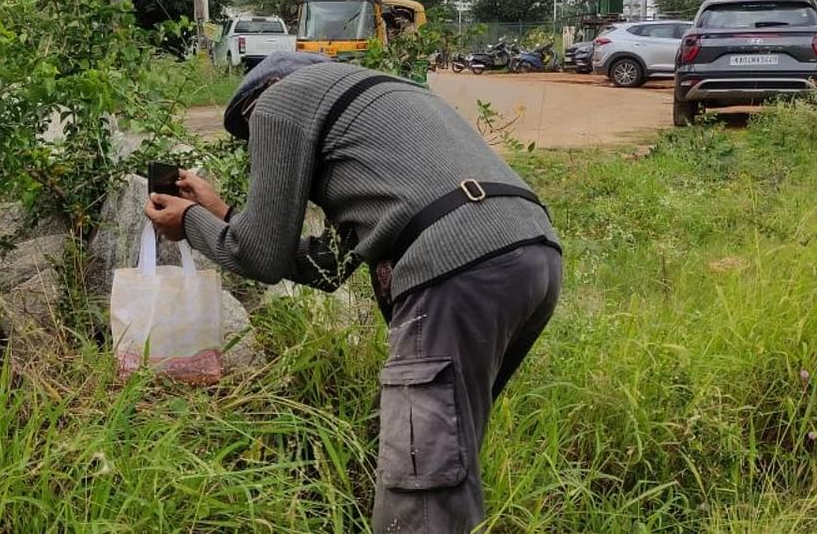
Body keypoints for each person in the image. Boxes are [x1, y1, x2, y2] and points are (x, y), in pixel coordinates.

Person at [145, 51, 562, 532]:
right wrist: (224, 216)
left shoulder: (277, 103)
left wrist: (189, 221)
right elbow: (330, 266)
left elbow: (259, 258)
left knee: (421, 484)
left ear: (258, 103)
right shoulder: (385, 102)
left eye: (251, 133)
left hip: (454, 268)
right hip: (532, 255)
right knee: (448, 461)